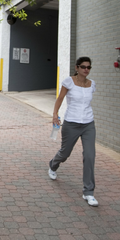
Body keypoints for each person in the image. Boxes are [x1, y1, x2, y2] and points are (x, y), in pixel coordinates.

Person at [48, 56, 99, 206]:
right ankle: (53, 164)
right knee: (65, 152)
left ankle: (88, 192)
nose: (86, 70)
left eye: (89, 67)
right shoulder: (69, 82)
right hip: (71, 123)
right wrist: (55, 115)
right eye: (83, 67)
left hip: (88, 124)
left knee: (90, 156)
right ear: (76, 68)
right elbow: (60, 99)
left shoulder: (92, 84)